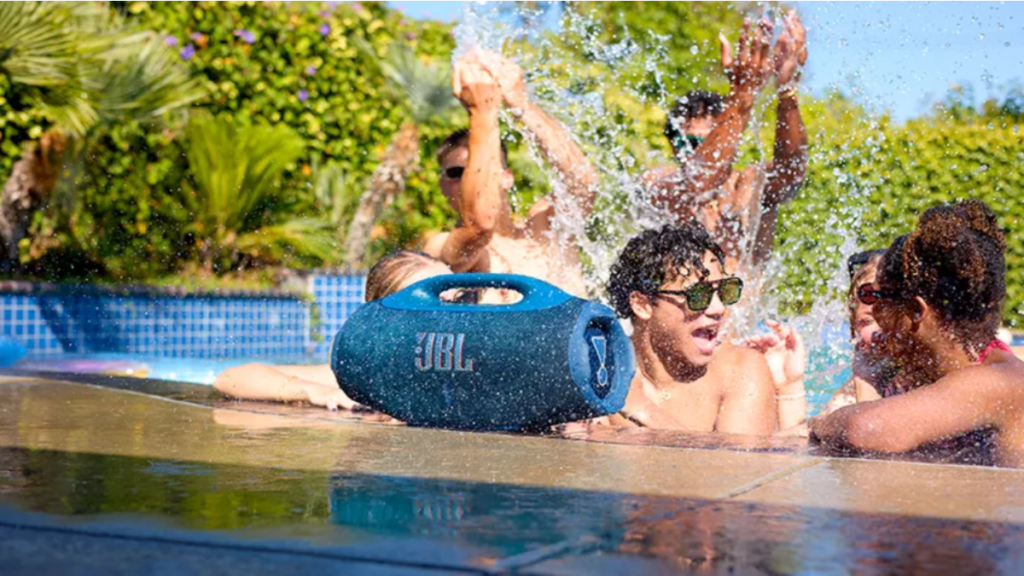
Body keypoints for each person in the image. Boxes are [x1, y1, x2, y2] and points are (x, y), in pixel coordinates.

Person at [810, 200, 1024, 468]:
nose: (875, 312)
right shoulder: (934, 373)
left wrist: (821, 423)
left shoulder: (1000, 381)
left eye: (881, 297)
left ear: (914, 310)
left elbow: (866, 429)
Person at [424, 51, 598, 298]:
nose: (469, 178)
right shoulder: (441, 249)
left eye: (483, 168)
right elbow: (480, 227)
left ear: (507, 177)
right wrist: (481, 110)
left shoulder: (547, 227)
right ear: (442, 186)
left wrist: (521, 103)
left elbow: (583, 181)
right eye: (455, 172)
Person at [644, 11, 808, 270]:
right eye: (689, 141)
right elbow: (701, 180)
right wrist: (742, 96)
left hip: (746, 310)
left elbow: (792, 171)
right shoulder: (659, 185)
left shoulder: (749, 184)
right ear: (672, 142)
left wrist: (786, 91)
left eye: (712, 141)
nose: (696, 152)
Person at [214, 251, 464, 410]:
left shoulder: (472, 362)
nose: (452, 315)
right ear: (384, 318)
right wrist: (312, 391)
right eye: (432, 304)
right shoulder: (366, 377)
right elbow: (231, 378)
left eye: (460, 301)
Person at [602, 223, 777, 435]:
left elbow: (736, 466)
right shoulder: (601, 370)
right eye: (697, 295)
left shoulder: (739, 371)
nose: (719, 308)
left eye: (724, 291)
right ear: (642, 305)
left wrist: (645, 412)